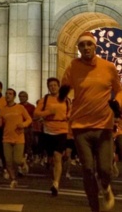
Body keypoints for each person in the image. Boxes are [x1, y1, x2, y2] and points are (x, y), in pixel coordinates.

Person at [60, 31, 122, 212]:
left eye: (89, 44)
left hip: (104, 125)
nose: (85, 47)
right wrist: (61, 95)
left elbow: (119, 90)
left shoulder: (108, 67)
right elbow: (65, 86)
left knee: (105, 169)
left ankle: (106, 188)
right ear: (78, 48)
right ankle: (94, 206)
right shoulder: (73, 66)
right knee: (87, 168)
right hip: (80, 126)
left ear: (95, 46)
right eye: (81, 45)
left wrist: (117, 103)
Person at [34, 77, 70, 196]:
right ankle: (53, 176)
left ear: (58, 86)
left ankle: (56, 183)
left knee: (57, 156)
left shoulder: (66, 100)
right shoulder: (44, 99)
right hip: (48, 130)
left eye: (55, 85)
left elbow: (71, 113)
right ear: (48, 87)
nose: (53, 87)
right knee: (51, 158)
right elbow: (36, 114)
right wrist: (48, 113)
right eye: (50, 85)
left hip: (62, 130)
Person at [0, 88, 31, 188]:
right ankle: (13, 179)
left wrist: (23, 124)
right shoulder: (2, 109)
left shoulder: (20, 108)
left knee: (17, 160)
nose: (7, 95)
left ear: (14, 96)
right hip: (6, 138)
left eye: (10, 94)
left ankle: (23, 163)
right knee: (8, 161)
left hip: (19, 138)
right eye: (6, 94)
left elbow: (29, 119)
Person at [17, 91, 35, 165]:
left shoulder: (31, 107)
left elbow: (34, 117)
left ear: (27, 97)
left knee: (28, 143)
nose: (21, 98)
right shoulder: (17, 106)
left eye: (23, 96)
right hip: (19, 127)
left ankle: (29, 157)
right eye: (20, 96)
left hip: (28, 127)